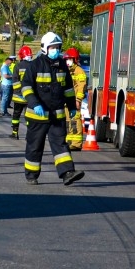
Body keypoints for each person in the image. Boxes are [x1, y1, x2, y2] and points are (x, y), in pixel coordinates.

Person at [18, 32, 85, 185]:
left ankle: (67, 173)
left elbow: (68, 88)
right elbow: (26, 87)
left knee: (60, 144)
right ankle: (31, 175)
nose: (56, 50)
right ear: (45, 48)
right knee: (35, 146)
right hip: (37, 115)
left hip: (57, 115)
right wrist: (35, 104)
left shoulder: (62, 65)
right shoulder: (35, 65)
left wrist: (72, 106)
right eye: (52, 47)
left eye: (57, 47)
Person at [63, 46, 89, 151]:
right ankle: (69, 142)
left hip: (74, 101)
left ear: (74, 59)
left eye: (69, 59)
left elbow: (81, 87)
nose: (67, 61)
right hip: (66, 101)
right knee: (68, 122)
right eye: (66, 59)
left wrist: (78, 100)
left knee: (74, 121)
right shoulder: (68, 71)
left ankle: (76, 144)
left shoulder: (79, 71)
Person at [8, 44, 34, 138]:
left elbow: (15, 80)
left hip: (19, 96)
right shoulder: (34, 65)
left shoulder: (18, 66)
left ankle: (15, 132)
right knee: (29, 115)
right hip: (30, 95)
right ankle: (29, 134)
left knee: (16, 114)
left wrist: (20, 90)